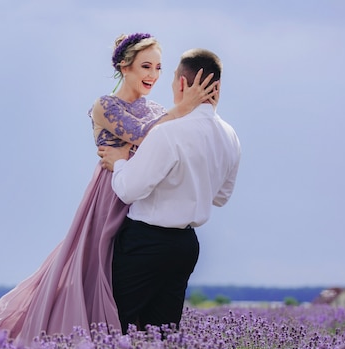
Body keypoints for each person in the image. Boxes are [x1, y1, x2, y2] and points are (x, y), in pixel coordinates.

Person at [0, 34, 217, 345]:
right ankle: (71, 343)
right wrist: (183, 108)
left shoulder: (158, 109)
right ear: (125, 67)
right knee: (97, 269)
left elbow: (172, 139)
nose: (153, 75)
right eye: (145, 66)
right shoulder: (105, 106)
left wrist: (197, 110)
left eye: (159, 68)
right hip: (109, 195)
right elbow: (141, 135)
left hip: (144, 194)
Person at [98, 48, 241, 334]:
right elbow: (221, 197)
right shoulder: (230, 135)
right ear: (217, 88)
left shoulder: (168, 133)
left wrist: (120, 162)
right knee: (164, 334)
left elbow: (127, 190)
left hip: (146, 241)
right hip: (185, 246)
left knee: (115, 325)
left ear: (182, 84)